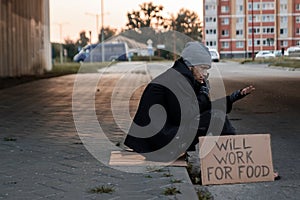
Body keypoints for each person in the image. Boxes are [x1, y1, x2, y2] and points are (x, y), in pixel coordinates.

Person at [123, 41, 255, 162]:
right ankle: (237, 164)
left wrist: (232, 97)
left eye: (206, 69)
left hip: (163, 136)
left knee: (215, 115)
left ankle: (233, 164)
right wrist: (203, 94)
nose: (204, 74)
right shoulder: (177, 80)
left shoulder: (181, 77)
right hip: (160, 143)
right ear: (191, 65)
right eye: (202, 68)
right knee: (216, 117)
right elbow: (184, 115)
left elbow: (199, 108)